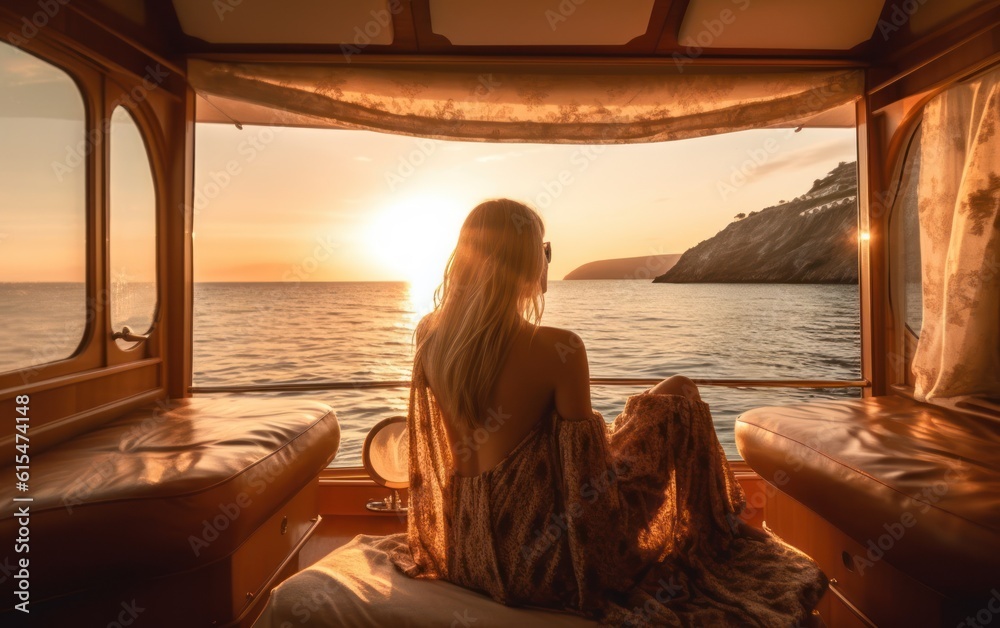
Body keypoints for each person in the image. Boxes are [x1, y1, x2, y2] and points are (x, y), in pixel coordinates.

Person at [389, 198, 827, 626]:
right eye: (544, 250)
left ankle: (719, 523)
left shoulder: (431, 335)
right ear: (523, 260)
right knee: (679, 391)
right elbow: (584, 476)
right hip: (546, 562)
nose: (547, 261)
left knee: (656, 409)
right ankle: (718, 527)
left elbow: (436, 455)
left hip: (468, 551)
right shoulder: (558, 348)